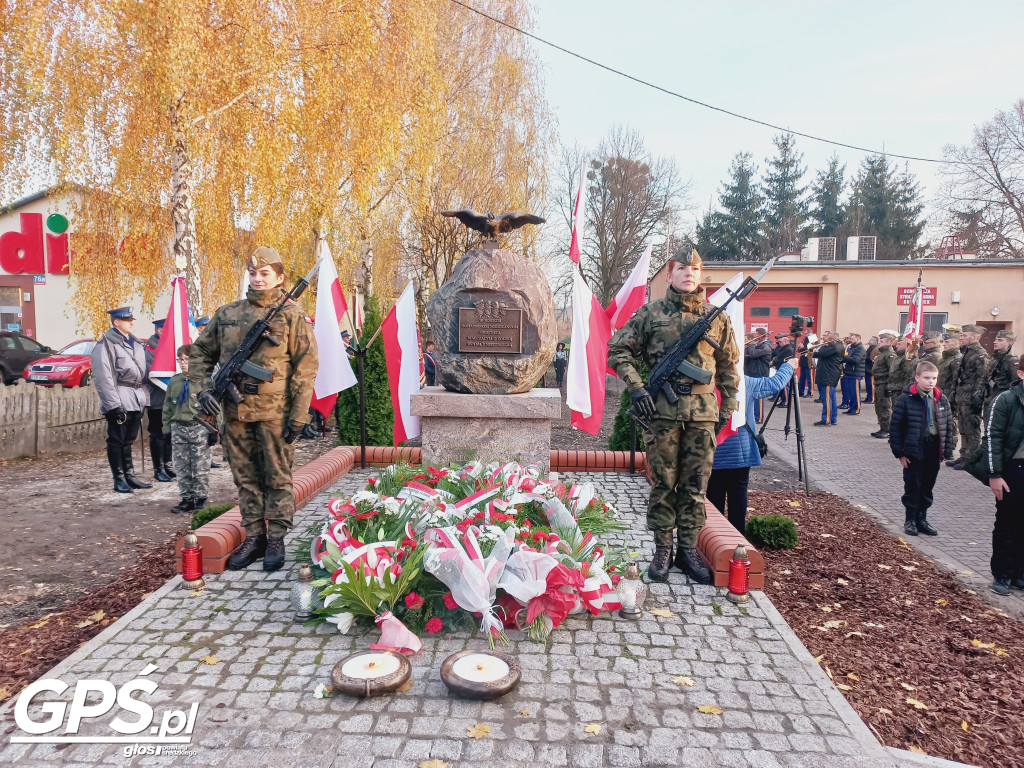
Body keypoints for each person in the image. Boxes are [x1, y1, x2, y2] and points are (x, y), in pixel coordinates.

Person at [607, 247, 740, 584]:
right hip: (661, 413)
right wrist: (637, 388)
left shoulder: (717, 317)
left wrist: (724, 412)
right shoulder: (650, 314)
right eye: (681, 268)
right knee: (664, 484)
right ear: (669, 274)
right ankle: (663, 548)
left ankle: (689, 549)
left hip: (702, 415)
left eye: (694, 268)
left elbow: (728, 370)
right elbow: (618, 350)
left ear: (700, 273)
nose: (688, 273)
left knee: (696, 486)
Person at [190, 246, 318, 572]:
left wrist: (300, 414)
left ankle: (276, 537)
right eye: (253, 273)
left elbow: (305, 369)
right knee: (245, 478)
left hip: (275, 413)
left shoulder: (291, 317)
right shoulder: (227, 313)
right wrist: (204, 388)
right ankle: (255, 536)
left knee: (276, 477)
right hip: (234, 412)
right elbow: (200, 354)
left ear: (280, 277)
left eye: (265, 273)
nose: (257, 278)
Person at [708, 358, 796, 533]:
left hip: (713, 449)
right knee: (738, 496)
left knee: (714, 494)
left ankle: (714, 538)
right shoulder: (745, 381)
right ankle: (738, 539)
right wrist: (789, 366)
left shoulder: (706, 382)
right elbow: (775, 383)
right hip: (740, 451)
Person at [91, 306, 153, 493]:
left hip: (135, 397)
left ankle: (130, 475)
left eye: (131, 319)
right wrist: (114, 405)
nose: (131, 323)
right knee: (117, 440)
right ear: (116, 323)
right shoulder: (106, 345)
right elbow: (103, 377)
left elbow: (141, 375)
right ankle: (119, 479)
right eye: (127, 320)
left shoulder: (136, 344)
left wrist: (143, 398)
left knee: (128, 440)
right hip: (119, 396)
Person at [889, 361, 953, 538]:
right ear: (917, 378)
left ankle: (922, 519)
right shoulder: (906, 399)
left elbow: (948, 425)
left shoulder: (941, 398)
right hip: (915, 449)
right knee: (913, 484)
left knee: (927, 484)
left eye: (934, 378)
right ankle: (910, 519)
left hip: (934, 447)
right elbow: (896, 428)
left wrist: (947, 450)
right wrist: (900, 453)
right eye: (926, 378)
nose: (931, 381)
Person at [982, 357, 1024, 596]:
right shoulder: (1005, 400)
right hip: (1013, 471)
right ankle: (1002, 574)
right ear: (1021, 374)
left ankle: (1020, 573)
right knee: (1008, 524)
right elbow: (992, 438)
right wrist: (994, 474)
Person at [162, 344, 211, 514]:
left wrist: (214, 430)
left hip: (199, 428)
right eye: (180, 359)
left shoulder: (204, 381)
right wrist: (166, 429)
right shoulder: (175, 382)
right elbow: (168, 407)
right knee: (181, 466)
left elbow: (214, 408)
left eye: (187, 359)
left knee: (200, 466)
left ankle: (201, 498)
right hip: (178, 428)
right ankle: (187, 498)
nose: (183, 363)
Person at [949, 324, 990, 469]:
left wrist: (977, 396)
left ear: (975, 337)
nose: (962, 337)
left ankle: (971, 458)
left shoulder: (980, 354)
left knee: (971, 428)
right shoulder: (966, 352)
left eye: (965, 335)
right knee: (963, 427)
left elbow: (983, 377)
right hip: (962, 396)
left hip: (971, 397)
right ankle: (963, 455)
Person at [144, 318, 174, 483]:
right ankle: (158, 468)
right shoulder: (150, 349)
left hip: (170, 398)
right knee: (157, 433)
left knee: (168, 432)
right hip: (156, 397)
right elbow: (151, 372)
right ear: (160, 330)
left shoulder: (170, 347)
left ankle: (167, 465)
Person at [193, 315, 222, 467]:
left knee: (212, 425)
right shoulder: (195, 344)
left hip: (215, 388)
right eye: (204, 327)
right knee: (200, 426)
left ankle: (208, 457)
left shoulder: (214, 344)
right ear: (198, 329)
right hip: (200, 389)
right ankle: (199, 457)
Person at [812, 331, 844, 426]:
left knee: (826, 399)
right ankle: (833, 418)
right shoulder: (836, 345)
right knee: (832, 399)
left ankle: (826, 420)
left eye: (827, 338)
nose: (825, 340)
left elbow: (821, 353)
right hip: (830, 375)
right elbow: (819, 354)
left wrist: (822, 347)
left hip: (828, 375)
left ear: (831, 339)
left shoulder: (833, 346)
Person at [984, 330, 1018, 419]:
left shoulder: (1012, 361)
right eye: (995, 339)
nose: (995, 342)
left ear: (1009, 342)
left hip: (1002, 403)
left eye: (1000, 340)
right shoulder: (994, 359)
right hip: (989, 401)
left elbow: (1016, 384)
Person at [938, 331, 962, 453]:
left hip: (950, 396)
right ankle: (942, 446)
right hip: (941, 395)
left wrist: (953, 396)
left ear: (956, 343)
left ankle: (950, 448)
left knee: (951, 422)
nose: (944, 344)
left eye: (947, 342)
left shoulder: (957, 359)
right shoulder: (944, 360)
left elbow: (956, 380)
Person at [871, 331, 898, 438]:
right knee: (879, 407)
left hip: (884, 384)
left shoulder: (890, 355)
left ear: (888, 342)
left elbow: (892, 371)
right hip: (878, 383)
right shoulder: (881, 353)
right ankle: (882, 427)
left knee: (885, 407)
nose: (879, 343)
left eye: (881, 341)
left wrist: (889, 386)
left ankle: (887, 430)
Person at [744, 329, 772, 423]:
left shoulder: (766, 346)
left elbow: (752, 354)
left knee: (758, 398)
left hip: (760, 374)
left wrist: (751, 345)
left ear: (762, 336)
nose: (755, 336)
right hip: (753, 373)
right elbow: (747, 354)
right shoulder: (759, 345)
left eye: (756, 335)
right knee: (752, 397)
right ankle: (752, 416)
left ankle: (759, 418)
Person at [840, 333, 866, 415]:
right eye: (850, 339)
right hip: (850, 372)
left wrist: (843, 356)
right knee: (851, 393)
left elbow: (856, 360)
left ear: (858, 339)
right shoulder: (853, 348)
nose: (850, 340)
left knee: (855, 394)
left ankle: (856, 409)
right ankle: (851, 408)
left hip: (856, 373)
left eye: (852, 339)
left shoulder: (860, 348)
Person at [770, 333, 794, 407]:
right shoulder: (783, 348)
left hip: (784, 369)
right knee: (782, 386)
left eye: (780, 342)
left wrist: (773, 362)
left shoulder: (788, 349)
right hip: (780, 368)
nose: (779, 343)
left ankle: (786, 402)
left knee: (785, 386)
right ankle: (783, 400)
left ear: (786, 342)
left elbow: (781, 359)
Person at [864, 336, 878, 404]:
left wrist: (865, 356)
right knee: (868, 385)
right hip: (867, 369)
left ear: (873, 341)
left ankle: (872, 398)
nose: (869, 341)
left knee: (871, 385)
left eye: (870, 340)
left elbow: (872, 359)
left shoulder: (875, 349)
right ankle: (868, 397)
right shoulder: (870, 348)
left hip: (871, 369)